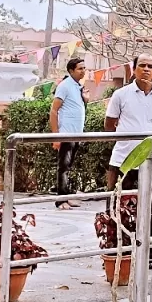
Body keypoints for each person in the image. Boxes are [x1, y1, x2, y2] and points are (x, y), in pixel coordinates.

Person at [104, 53, 152, 192]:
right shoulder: (120, 94)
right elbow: (109, 125)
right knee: (117, 204)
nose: (146, 69)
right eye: (142, 65)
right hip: (123, 159)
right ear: (134, 69)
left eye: (150, 66)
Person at [49, 54, 86, 208]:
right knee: (63, 167)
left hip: (76, 133)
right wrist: (56, 136)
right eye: (80, 69)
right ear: (71, 70)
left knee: (69, 166)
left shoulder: (77, 86)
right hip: (66, 133)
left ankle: (67, 195)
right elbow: (54, 110)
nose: (83, 71)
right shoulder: (64, 86)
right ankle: (61, 200)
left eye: (84, 68)